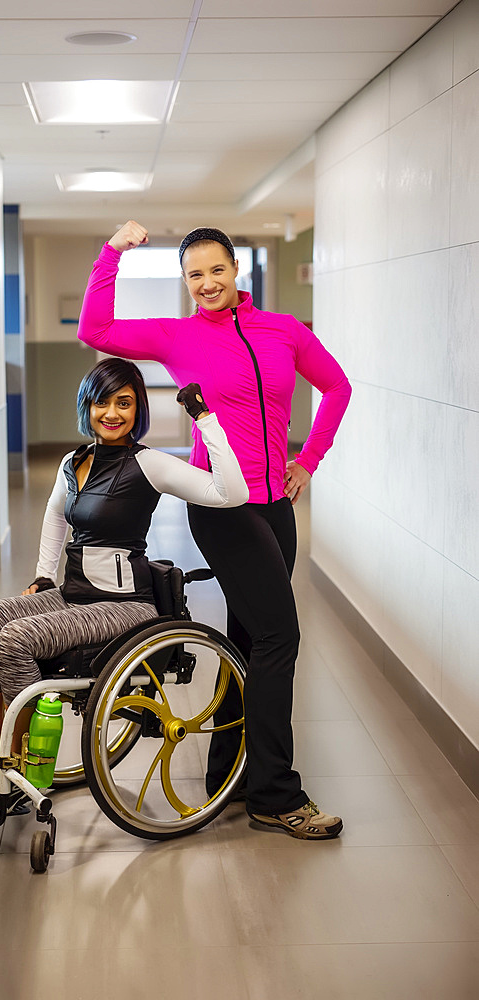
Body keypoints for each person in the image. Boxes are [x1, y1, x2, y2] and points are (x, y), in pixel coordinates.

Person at [76, 221, 352, 840]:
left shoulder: (282, 330)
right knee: (281, 633)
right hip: (220, 505)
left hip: (277, 505)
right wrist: (112, 253)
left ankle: (230, 773)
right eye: (194, 275)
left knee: (253, 635)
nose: (207, 283)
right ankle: (276, 795)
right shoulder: (177, 339)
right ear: (185, 282)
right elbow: (95, 331)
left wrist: (308, 459)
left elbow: (337, 387)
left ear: (236, 271)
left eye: (216, 270)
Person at [0, 357, 248, 823]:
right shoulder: (74, 461)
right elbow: (56, 517)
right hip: (75, 592)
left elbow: (231, 492)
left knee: (17, 639)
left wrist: (206, 421)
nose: (112, 413)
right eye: (101, 401)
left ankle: (23, 769)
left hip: (127, 606)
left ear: (138, 409)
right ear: (86, 406)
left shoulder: (149, 464)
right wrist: (44, 576)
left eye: (124, 403)